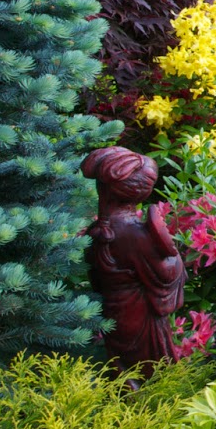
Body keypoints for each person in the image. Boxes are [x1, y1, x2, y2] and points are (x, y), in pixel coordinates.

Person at [83, 146, 186, 377]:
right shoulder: (133, 234)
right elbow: (165, 275)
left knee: (122, 365)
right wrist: (173, 253)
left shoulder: (97, 230)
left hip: (114, 311)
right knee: (150, 370)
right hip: (141, 314)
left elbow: (95, 278)